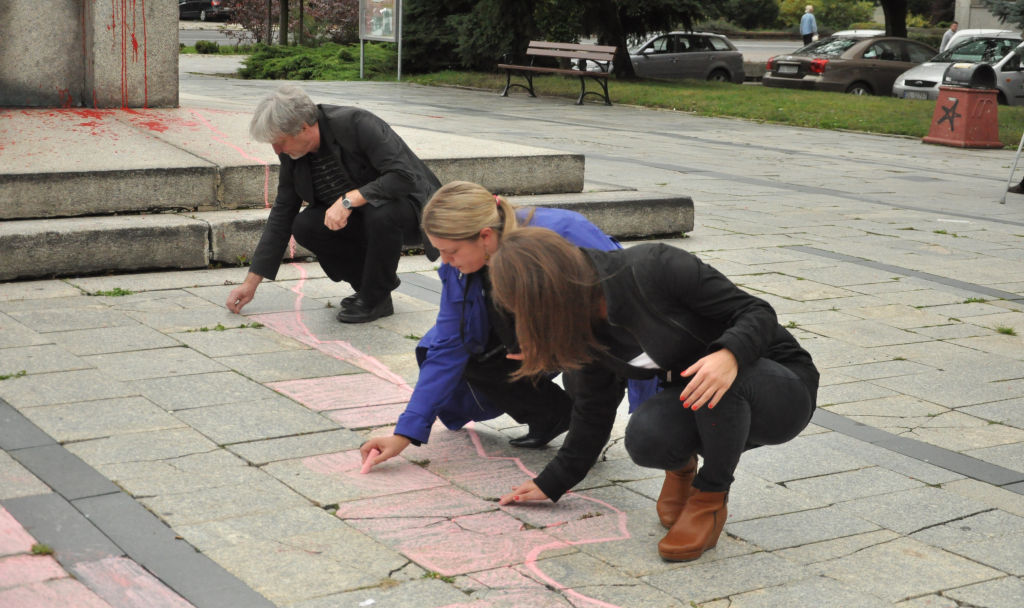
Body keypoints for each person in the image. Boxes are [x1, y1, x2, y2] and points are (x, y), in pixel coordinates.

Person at [488, 227, 819, 563]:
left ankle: (709, 499)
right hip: (702, 398)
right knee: (646, 438)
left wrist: (728, 354)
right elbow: (593, 410)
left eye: (528, 312)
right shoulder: (584, 325)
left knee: (716, 377)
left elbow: (757, 312)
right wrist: (553, 481)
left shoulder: (655, 266)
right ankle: (682, 470)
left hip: (781, 388)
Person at [359, 181, 658, 467]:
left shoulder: (566, 234)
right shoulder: (461, 269)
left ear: (485, 236)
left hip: (591, 329)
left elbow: (628, 310)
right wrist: (405, 433)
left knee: (593, 385)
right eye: (440, 252)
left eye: (452, 251)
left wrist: (648, 396)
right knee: (459, 347)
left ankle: (594, 422)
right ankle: (551, 415)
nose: (446, 261)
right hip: (534, 334)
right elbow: (449, 345)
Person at [225, 86, 440, 324]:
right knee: (305, 224)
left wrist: (350, 199)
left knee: (381, 212)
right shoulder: (292, 154)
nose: (277, 150)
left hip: (408, 211)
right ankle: (370, 291)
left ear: (303, 128)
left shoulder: (357, 124)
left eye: (280, 142)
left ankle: (375, 296)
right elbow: (283, 210)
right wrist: (250, 283)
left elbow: (404, 176)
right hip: (359, 219)